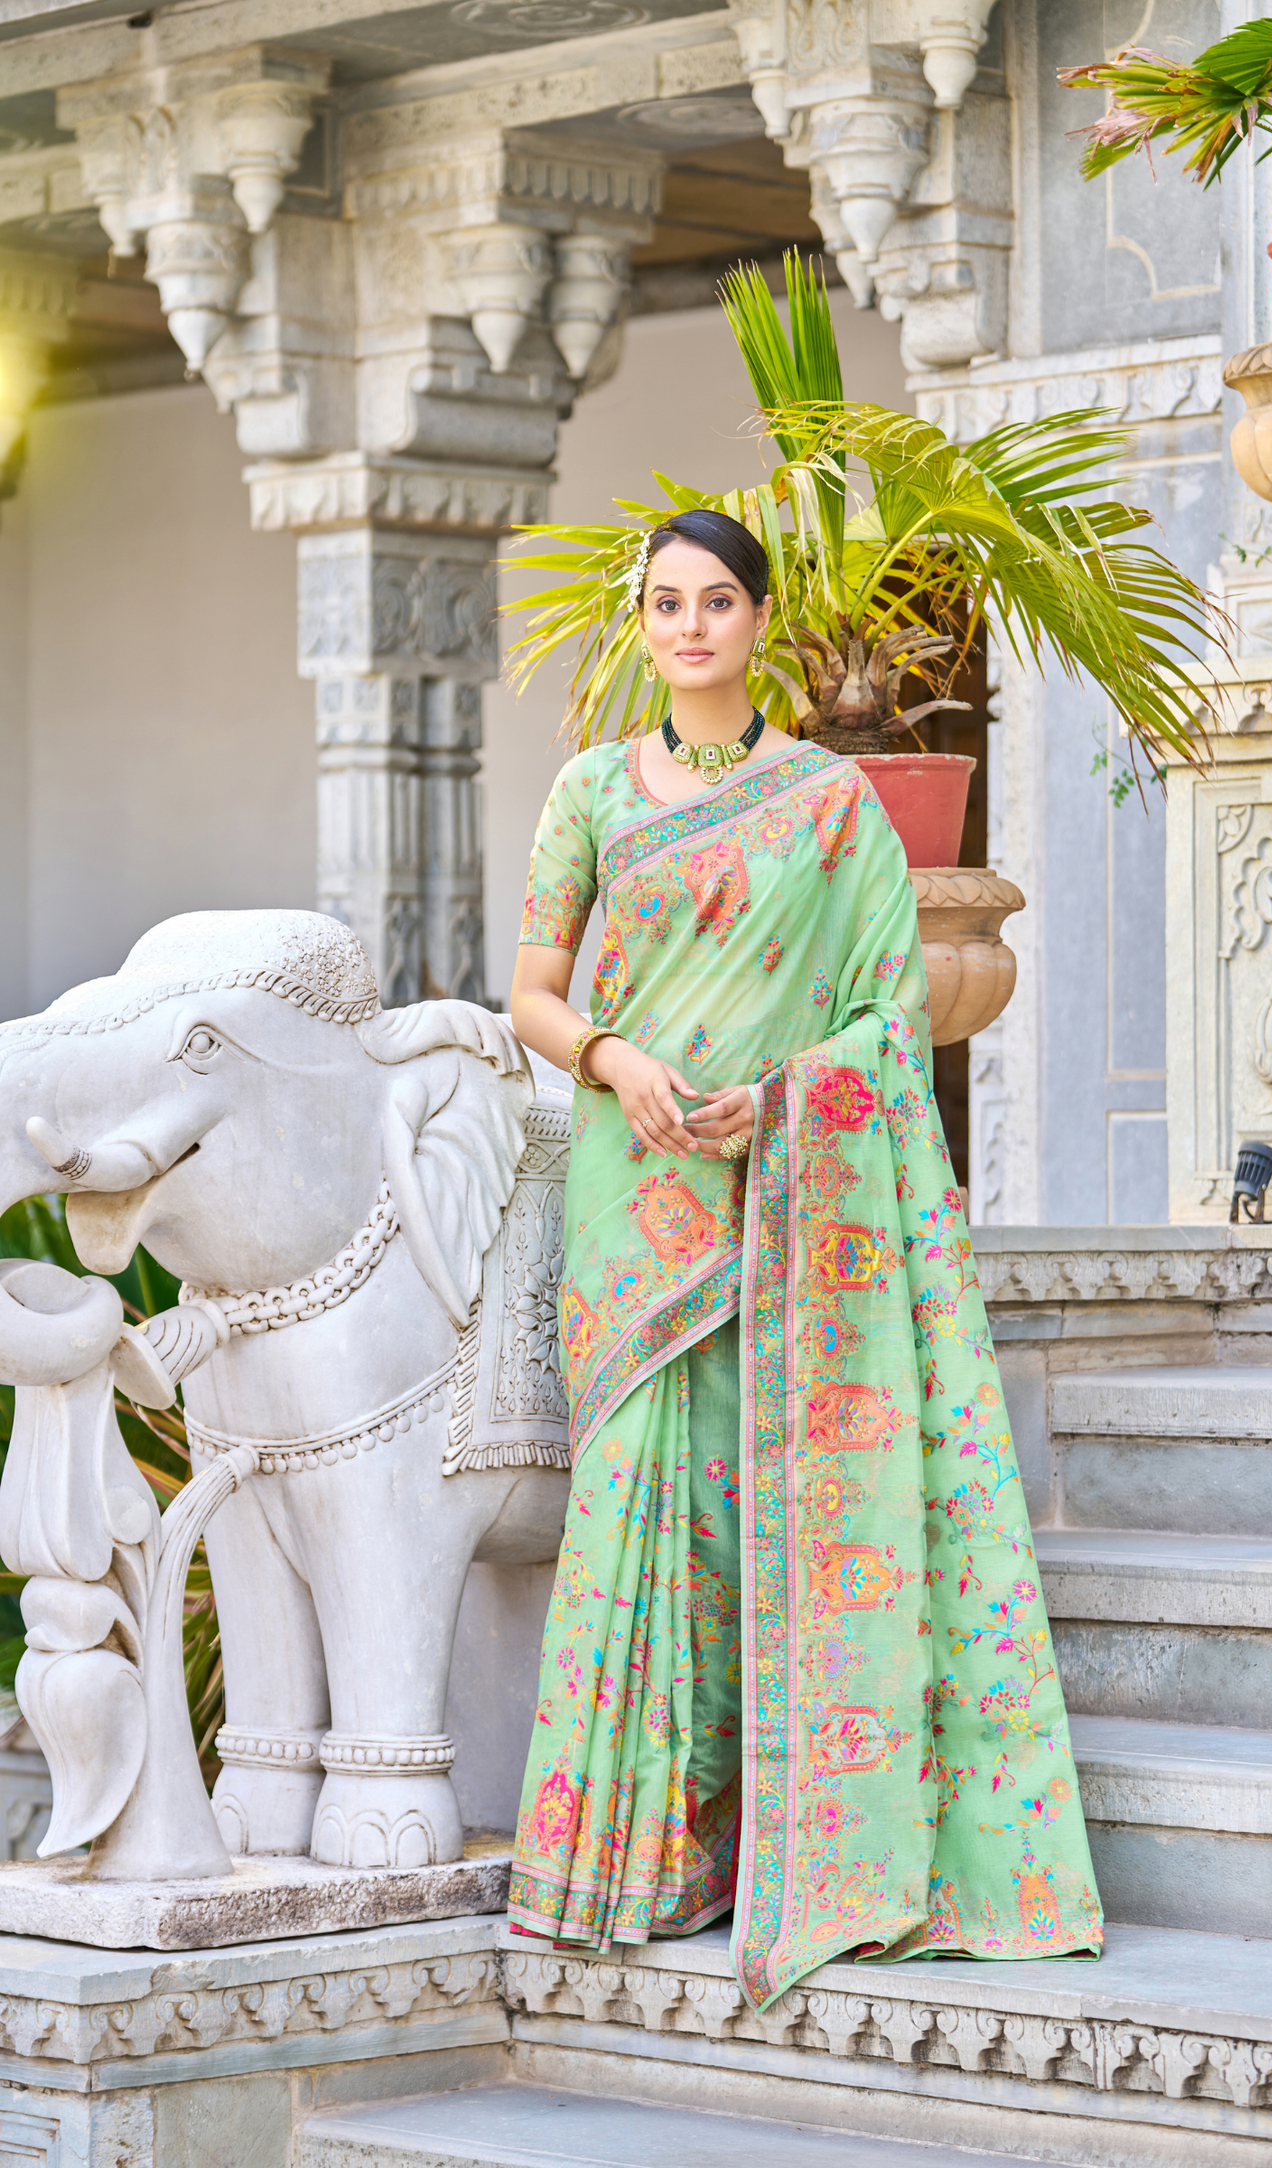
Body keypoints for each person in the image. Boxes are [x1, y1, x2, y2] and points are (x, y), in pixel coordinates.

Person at [507, 507, 1101, 2011]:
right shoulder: (590, 789)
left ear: (759, 621)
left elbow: (890, 1018)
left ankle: (775, 1855)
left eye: (716, 601)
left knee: (759, 1511)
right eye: (665, 603)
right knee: (644, 1507)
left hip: (782, 1193)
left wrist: (781, 1102)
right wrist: (617, 1061)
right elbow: (531, 992)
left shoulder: (830, 804)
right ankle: (632, 1864)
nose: (688, 626)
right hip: (635, 1194)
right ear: (641, 622)